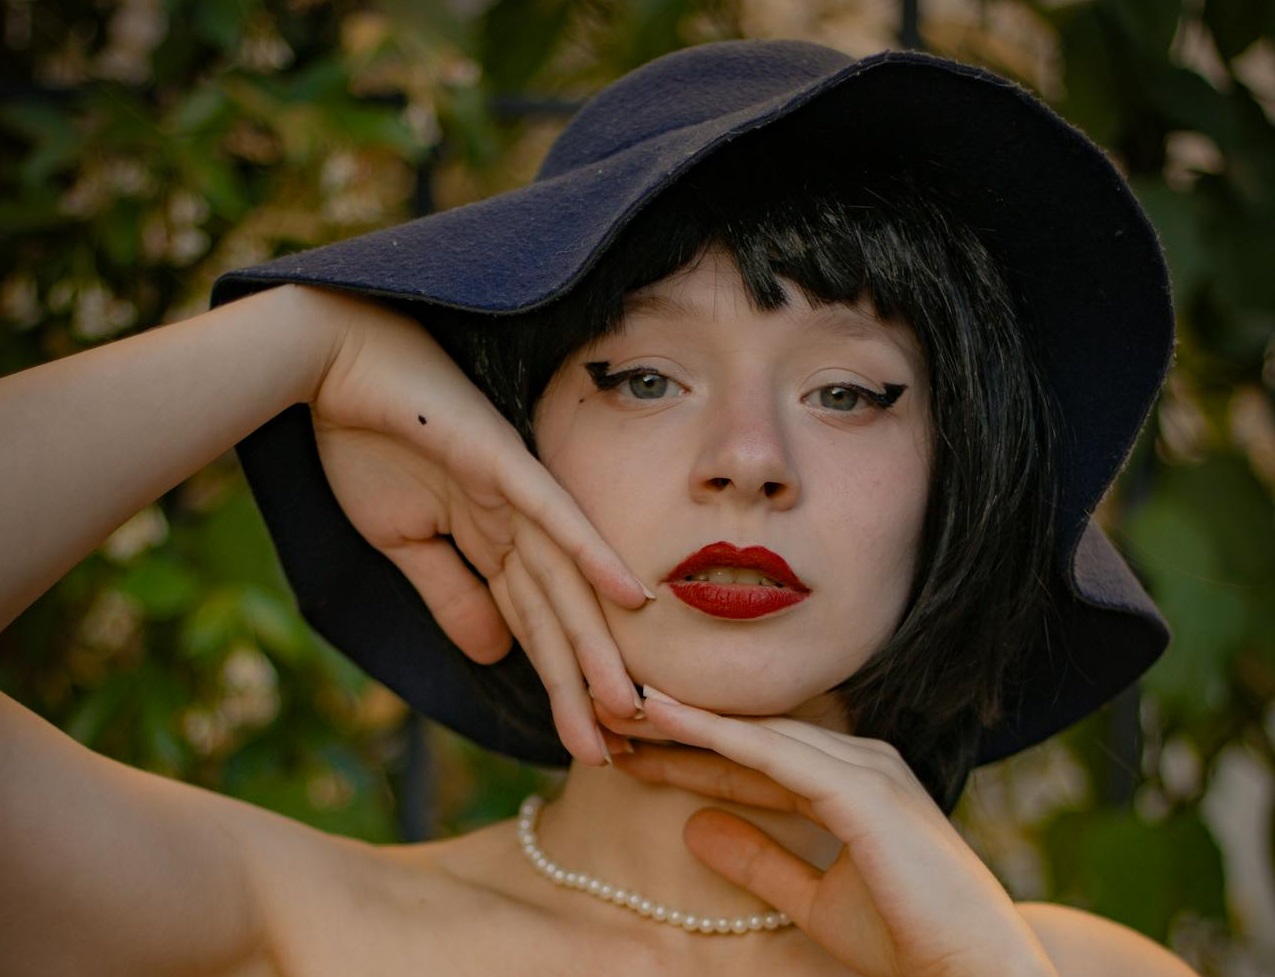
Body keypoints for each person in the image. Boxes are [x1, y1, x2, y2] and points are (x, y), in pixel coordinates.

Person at [0, 39, 1196, 977]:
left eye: (846, 391)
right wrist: (311, 343)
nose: (746, 460)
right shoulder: (277, 925)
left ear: (962, 479)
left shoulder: (1069, 968)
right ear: (510, 446)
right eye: (643, 379)